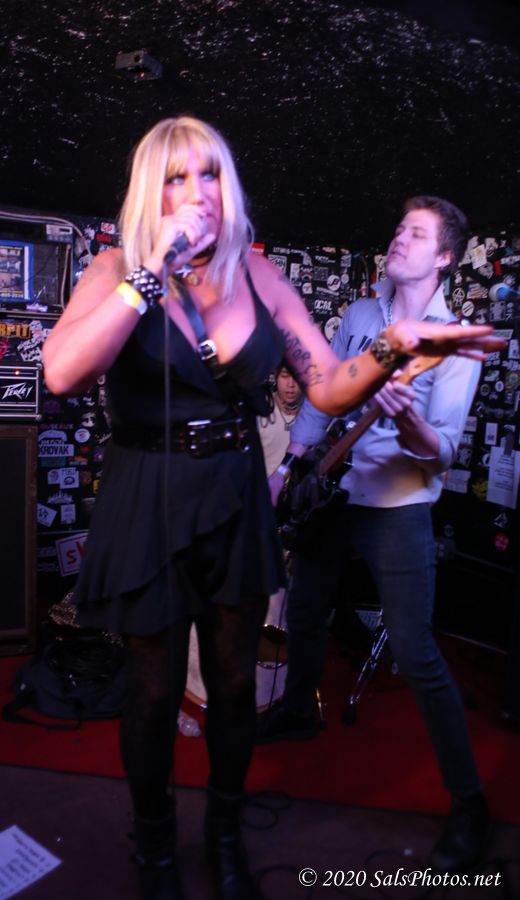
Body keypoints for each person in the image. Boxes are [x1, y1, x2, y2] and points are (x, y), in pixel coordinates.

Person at [42, 118, 501, 900]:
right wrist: (150, 272)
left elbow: (329, 385)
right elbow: (62, 371)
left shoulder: (259, 275)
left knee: (231, 684)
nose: (197, 193)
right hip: (147, 493)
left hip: (231, 491)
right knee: (152, 690)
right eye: (177, 177)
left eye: (210, 175)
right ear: (151, 190)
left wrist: (395, 343)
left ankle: (226, 838)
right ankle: (156, 852)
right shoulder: (116, 268)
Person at [256, 195, 494, 875]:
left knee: (416, 651)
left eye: (415, 234)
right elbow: (323, 394)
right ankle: (297, 711)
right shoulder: (363, 316)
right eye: (397, 229)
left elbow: (442, 450)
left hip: (397, 505)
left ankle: (470, 803)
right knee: (306, 611)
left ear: (444, 257)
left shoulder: (452, 341)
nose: (398, 239)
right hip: (332, 492)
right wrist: (290, 466)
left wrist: (407, 418)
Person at [257, 365, 303, 476]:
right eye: (285, 376)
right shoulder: (261, 409)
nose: (291, 384)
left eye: (297, 377)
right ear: (276, 376)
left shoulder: (313, 414)